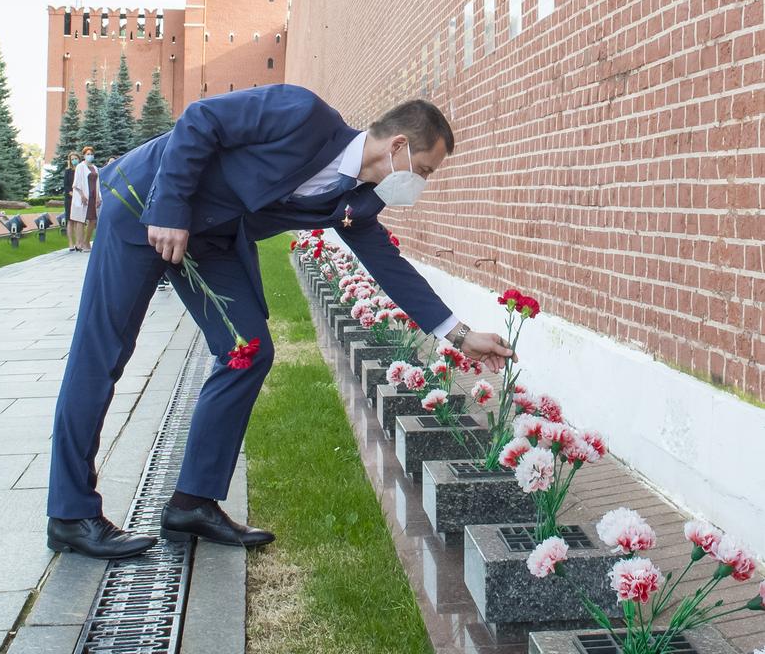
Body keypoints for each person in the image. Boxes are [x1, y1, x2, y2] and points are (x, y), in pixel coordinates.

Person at [46, 86, 515, 560]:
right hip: (146, 202)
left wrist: (460, 335)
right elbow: (199, 120)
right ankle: (70, 514)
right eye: (424, 170)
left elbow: (390, 267)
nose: (422, 183)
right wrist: (168, 208)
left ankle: (193, 502)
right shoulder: (303, 113)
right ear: (397, 147)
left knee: (247, 351)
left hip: (211, 238)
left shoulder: (358, 200)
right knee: (101, 355)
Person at [70, 146, 101, 252]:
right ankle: (80, 243)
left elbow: (98, 183)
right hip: (83, 197)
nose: (90, 156)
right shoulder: (80, 167)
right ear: (84, 155)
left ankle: (87, 241)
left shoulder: (95, 168)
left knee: (93, 219)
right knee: (81, 220)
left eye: (91, 154)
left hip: (93, 196)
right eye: (88, 154)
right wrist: (82, 195)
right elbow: (77, 183)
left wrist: (98, 197)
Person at [64, 152, 80, 252]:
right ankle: (71, 243)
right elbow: (66, 185)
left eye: (75, 158)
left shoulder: (81, 170)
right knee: (70, 221)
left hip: (80, 198)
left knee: (78, 221)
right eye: (72, 159)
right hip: (70, 198)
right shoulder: (68, 171)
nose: (74, 160)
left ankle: (79, 242)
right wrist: (70, 192)